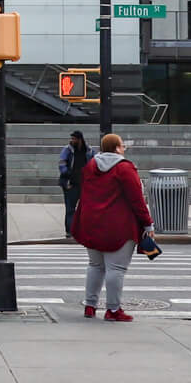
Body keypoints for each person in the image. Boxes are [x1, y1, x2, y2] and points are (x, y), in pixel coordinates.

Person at [72, 132, 151, 321]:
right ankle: (113, 310)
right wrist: (147, 223)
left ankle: (90, 306)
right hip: (119, 226)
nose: (124, 149)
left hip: (91, 223)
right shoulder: (125, 168)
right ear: (116, 148)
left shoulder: (91, 166)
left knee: (95, 265)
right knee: (116, 269)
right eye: (122, 145)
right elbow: (136, 199)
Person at [57, 130, 90, 235]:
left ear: (80, 139)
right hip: (70, 183)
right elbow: (61, 163)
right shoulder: (67, 150)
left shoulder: (88, 151)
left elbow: (93, 163)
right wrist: (68, 174)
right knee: (70, 208)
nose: (72, 140)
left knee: (85, 208)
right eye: (71, 138)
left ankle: (81, 229)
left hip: (84, 184)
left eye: (74, 138)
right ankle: (70, 231)